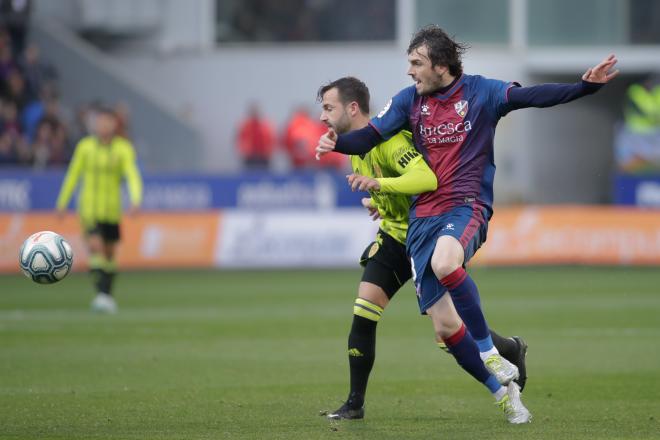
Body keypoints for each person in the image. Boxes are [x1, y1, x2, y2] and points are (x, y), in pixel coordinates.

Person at [317, 26, 619, 420]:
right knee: (445, 329)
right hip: (421, 219)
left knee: (446, 263)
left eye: (416, 63)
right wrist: (335, 143)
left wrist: (584, 88)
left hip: (465, 204)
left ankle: (492, 353)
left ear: (441, 65)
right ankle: (504, 393)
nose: (409, 71)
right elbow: (367, 137)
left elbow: (532, 97)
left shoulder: (482, 93)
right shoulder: (409, 101)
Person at [318, 77, 529, 423]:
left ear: (352, 108)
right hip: (392, 237)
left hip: (422, 239)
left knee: (446, 330)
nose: (324, 117)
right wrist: (381, 202)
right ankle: (354, 403)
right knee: (363, 312)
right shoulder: (357, 151)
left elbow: (426, 179)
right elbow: (402, 195)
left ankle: (505, 359)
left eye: (329, 108)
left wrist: (379, 184)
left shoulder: (392, 141)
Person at [56, 106, 143, 313]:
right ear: (95, 124)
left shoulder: (123, 148)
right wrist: (62, 202)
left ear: (114, 124)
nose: (104, 125)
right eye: (100, 121)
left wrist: (135, 200)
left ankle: (107, 295)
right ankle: (102, 295)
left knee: (110, 256)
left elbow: (132, 175)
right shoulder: (85, 147)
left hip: (112, 211)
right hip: (89, 210)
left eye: (108, 121)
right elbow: (73, 175)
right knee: (96, 248)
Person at [236, 102, 275, 169]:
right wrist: (245, 151)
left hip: (264, 157)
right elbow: (240, 140)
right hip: (250, 157)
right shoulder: (245, 126)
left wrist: (269, 151)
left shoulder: (265, 125)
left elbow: (271, 140)